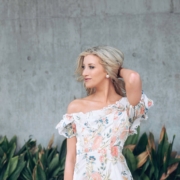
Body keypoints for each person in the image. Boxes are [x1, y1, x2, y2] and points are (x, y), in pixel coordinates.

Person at [56, 46, 153, 180]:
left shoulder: (126, 106)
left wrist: (116, 70)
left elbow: (133, 77)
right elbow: (71, 157)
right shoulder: (76, 107)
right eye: (83, 67)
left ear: (107, 69)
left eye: (91, 67)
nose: (84, 73)